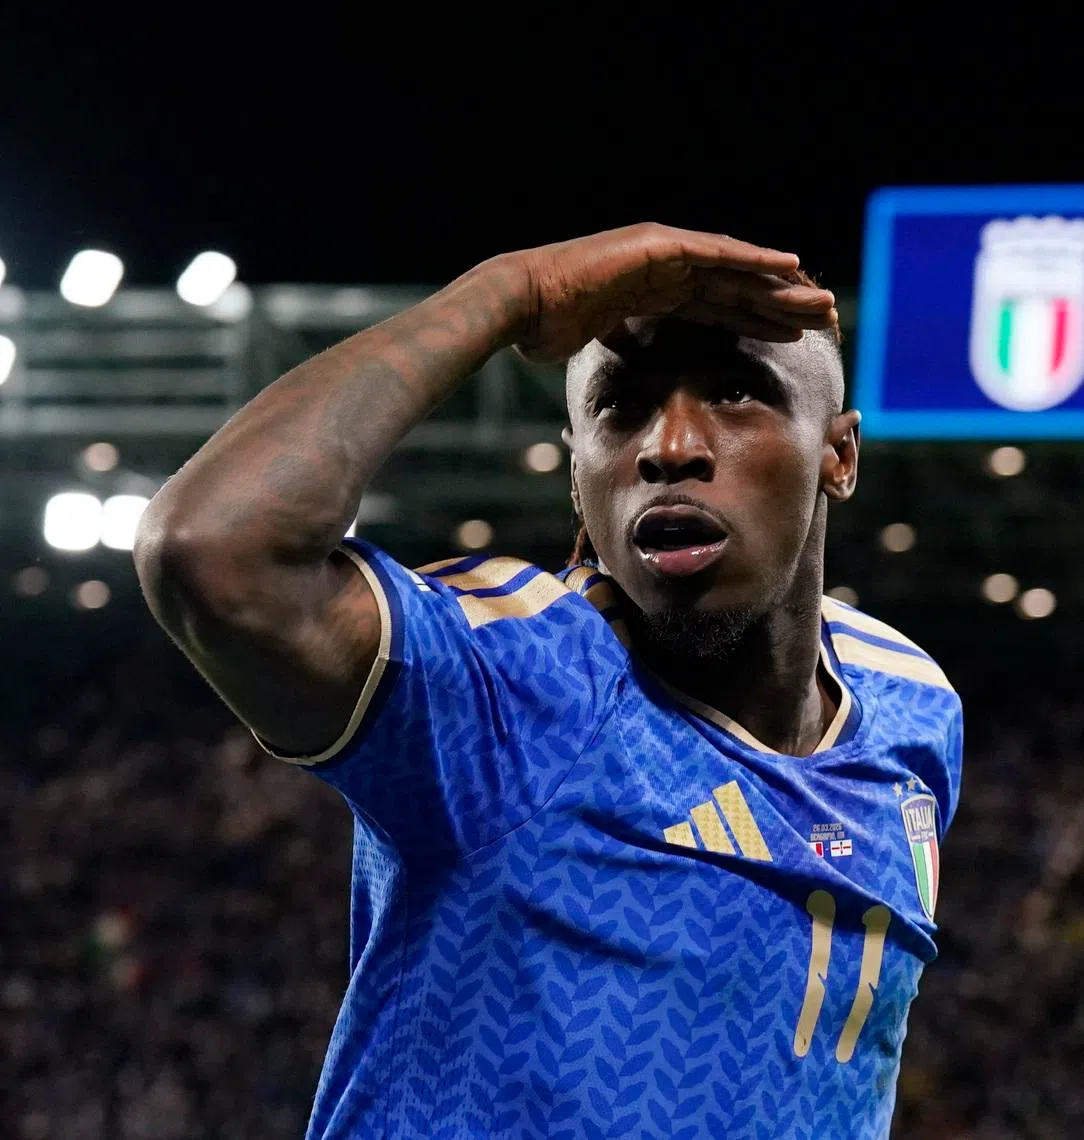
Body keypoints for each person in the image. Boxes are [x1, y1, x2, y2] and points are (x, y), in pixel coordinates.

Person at [134, 223, 963, 1139]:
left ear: (838, 457)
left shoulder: (912, 703)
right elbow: (211, 551)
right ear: (578, 473)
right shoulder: (512, 684)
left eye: (735, 393)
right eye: (621, 406)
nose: (671, 446)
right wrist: (510, 292)